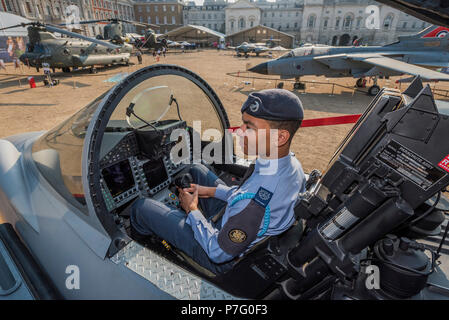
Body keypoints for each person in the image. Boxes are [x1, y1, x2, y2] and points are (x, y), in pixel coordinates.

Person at [130, 89, 306, 274]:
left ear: (280, 137)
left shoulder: (253, 202)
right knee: (196, 170)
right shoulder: (291, 165)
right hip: (242, 225)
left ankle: (147, 254)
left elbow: (217, 252)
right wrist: (211, 191)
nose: (240, 132)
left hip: (221, 254)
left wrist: (192, 210)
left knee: (141, 208)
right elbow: (243, 193)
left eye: (250, 127)